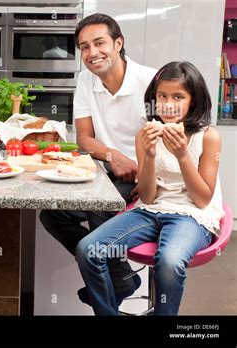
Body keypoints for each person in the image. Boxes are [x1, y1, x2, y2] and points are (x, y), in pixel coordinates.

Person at [77, 61, 224, 315]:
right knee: (89, 249)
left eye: (178, 97)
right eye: (162, 96)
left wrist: (182, 156)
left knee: (168, 262)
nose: (168, 104)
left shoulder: (208, 137)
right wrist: (151, 155)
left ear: (194, 100)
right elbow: (147, 196)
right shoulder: (144, 135)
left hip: (192, 216)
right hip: (150, 211)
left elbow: (202, 199)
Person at [39, 13, 157, 306]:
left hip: (149, 179)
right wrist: (112, 156)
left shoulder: (151, 81)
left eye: (99, 43)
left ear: (119, 43)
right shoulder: (85, 80)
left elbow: (165, 139)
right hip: (107, 176)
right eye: (84, 46)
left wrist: (144, 173)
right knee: (51, 214)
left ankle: (110, 283)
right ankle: (120, 277)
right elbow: (84, 138)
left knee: (99, 208)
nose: (92, 53)